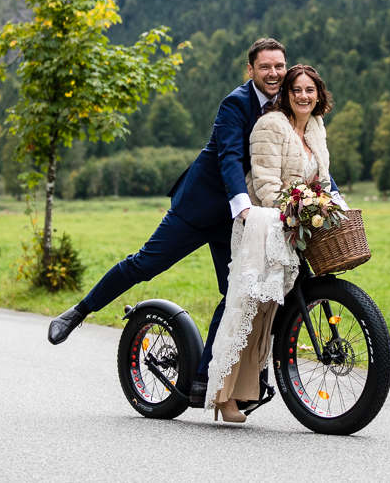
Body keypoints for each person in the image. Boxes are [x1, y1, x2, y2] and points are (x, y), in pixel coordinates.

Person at [47, 37, 290, 407]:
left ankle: (205, 377)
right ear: (250, 70)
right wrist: (241, 203)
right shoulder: (235, 104)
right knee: (144, 264)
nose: (273, 73)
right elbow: (229, 158)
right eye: (265, 67)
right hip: (200, 208)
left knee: (236, 293)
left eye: (279, 66)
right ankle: (79, 312)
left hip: (240, 220)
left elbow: (303, 150)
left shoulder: (286, 104)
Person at [205, 64, 338, 422]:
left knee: (270, 315)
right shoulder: (270, 126)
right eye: (296, 90)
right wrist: (293, 212)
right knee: (251, 309)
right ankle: (223, 396)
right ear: (286, 94)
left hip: (296, 228)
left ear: (318, 94)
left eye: (310, 90)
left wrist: (328, 205)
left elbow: (322, 179)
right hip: (264, 224)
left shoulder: (316, 128)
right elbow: (263, 183)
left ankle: (246, 390)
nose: (303, 96)